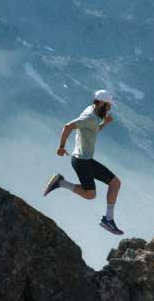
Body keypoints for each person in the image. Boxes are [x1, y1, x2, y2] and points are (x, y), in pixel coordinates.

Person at [42, 89, 124, 235]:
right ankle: (108, 220)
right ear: (101, 104)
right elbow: (68, 126)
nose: (110, 108)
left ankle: (60, 182)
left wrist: (105, 123)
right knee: (115, 183)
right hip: (83, 162)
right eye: (108, 105)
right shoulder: (89, 117)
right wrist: (61, 147)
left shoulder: (92, 112)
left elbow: (92, 131)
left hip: (82, 160)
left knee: (90, 194)